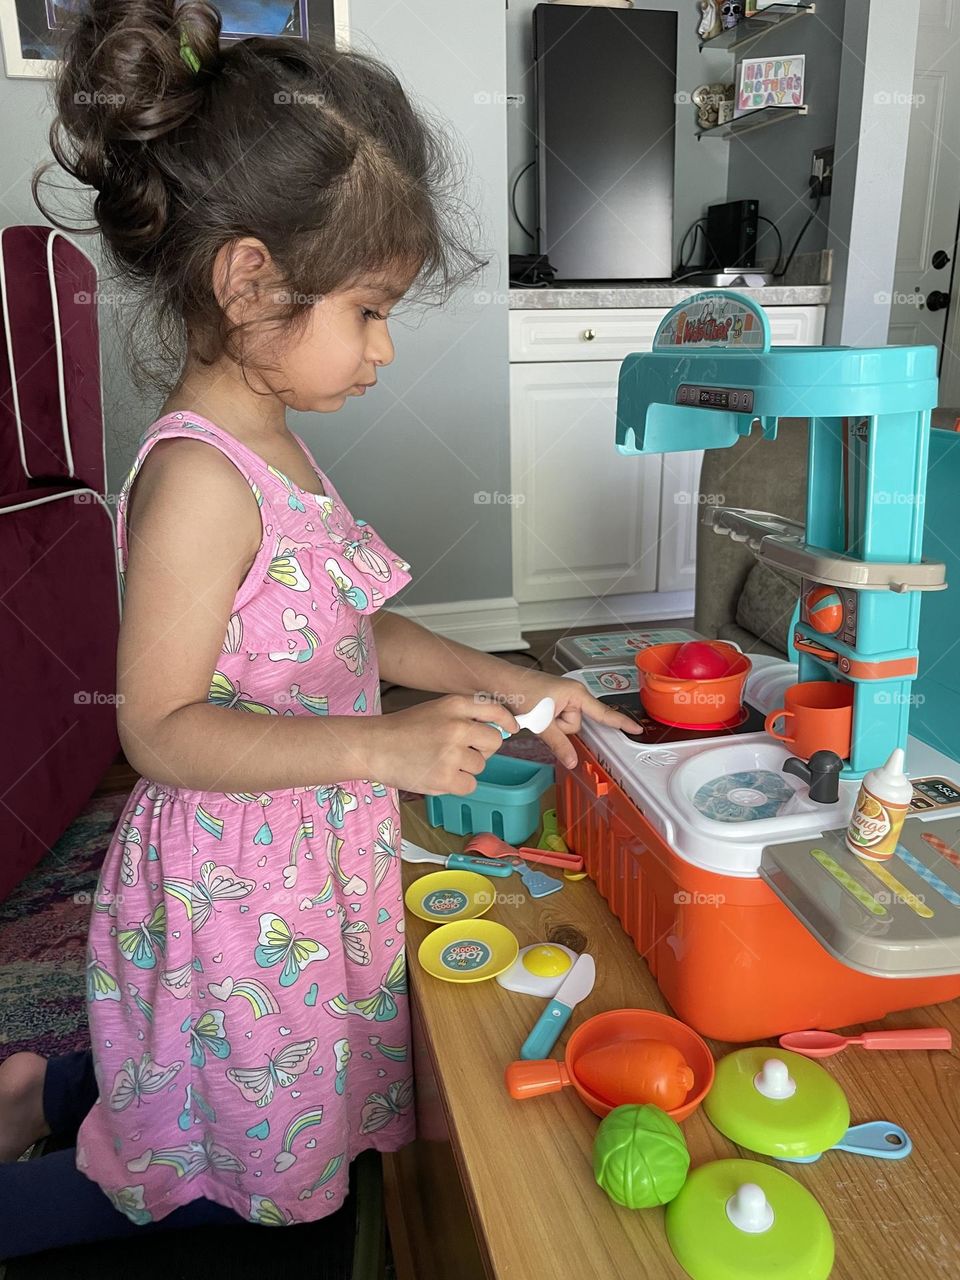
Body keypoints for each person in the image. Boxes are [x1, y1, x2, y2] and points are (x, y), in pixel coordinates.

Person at [0, 0, 638, 1259]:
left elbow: (353, 627)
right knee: (222, 1162)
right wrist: (381, 754)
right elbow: (162, 728)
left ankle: (41, 1090)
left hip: (298, 872)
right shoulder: (200, 482)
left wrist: (508, 677)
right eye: (369, 309)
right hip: (239, 889)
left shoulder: (275, 443)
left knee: (216, 1088)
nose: (387, 348)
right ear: (248, 280)